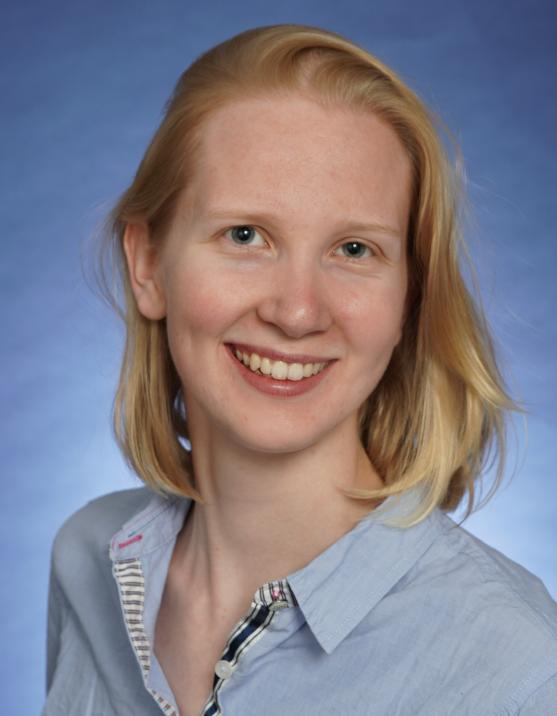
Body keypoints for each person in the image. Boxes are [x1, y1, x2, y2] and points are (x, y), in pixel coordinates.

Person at [42, 23, 557, 716]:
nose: (297, 312)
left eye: (354, 249)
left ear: (408, 298)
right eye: (245, 235)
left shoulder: (520, 671)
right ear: (148, 265)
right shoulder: (88, 562)